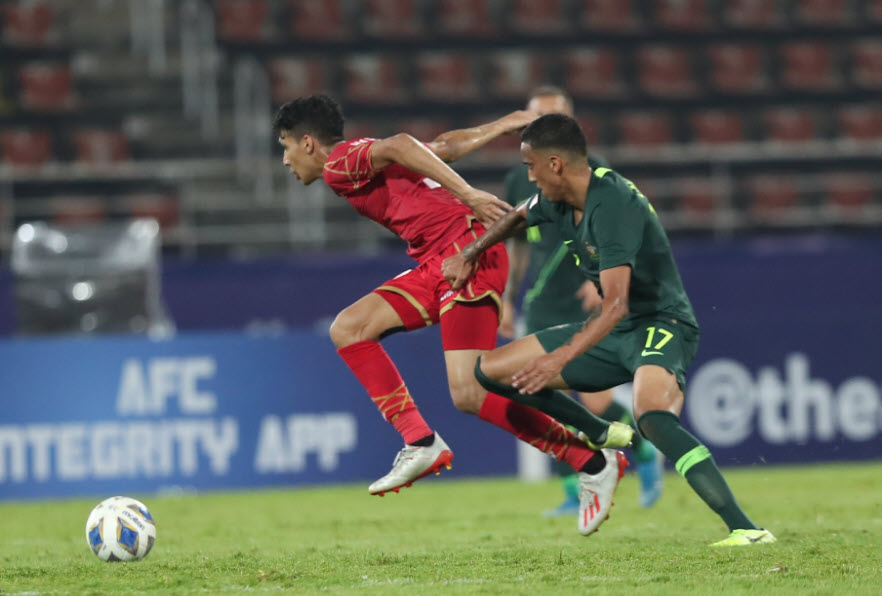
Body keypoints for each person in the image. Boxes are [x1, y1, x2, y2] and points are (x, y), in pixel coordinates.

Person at [273, 94, 634, 536]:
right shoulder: (361, 155)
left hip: (466, 254)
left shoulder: (339, 164)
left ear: (308, 143)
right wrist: (506, 123)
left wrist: (468, 194)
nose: (286, 161)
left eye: (286, 146)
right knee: (350, 328)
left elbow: (406, 143)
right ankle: (420, 441)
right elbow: (438, 148)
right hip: (436, 263)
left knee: (469, 390)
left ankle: (591, 459)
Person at [442, 113, 776, 546]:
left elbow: (616, 305)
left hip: (659, 322)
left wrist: (557, 360)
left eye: (531, 166)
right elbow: (519, 216)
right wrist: (471, 252)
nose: (528, 176)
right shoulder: (560, 198)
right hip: (614, 329)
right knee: (489, 372)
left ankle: (746, 530)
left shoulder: (612, 204)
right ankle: (600, 434)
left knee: (653, 417)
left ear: (555, 164)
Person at [500, 87, 663, 516]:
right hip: (542, 299)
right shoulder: (520, 177)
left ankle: (644, 453)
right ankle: (574, 488)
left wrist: (603, 284)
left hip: (583, 296)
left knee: (592, 401)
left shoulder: (597, 172)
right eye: (537, 117)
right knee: (541, 393)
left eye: (553, 116)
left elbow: (624, 227)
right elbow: (517, 246)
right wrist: (506, 298)